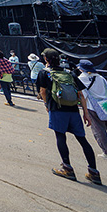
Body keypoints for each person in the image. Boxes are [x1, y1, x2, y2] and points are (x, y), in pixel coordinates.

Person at [37, 49, 101, 184]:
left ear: (46, 60)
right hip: (73, 110)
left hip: (57, 109)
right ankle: (94, 172)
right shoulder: (70, 73)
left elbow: (42, 91)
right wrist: (86, 113)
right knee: (83, 140)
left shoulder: (45, 73)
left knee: (60, 137)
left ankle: (67, 168)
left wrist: (46, 104)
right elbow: (81, 94)